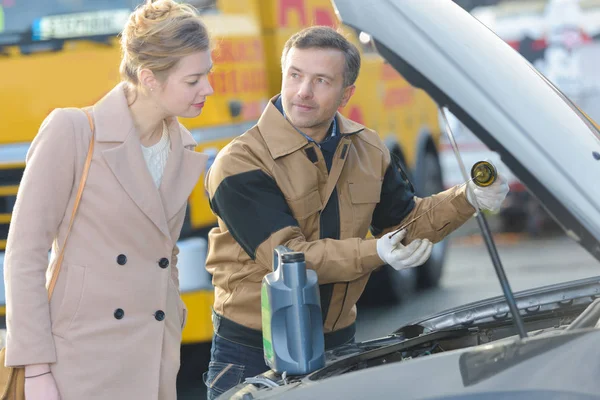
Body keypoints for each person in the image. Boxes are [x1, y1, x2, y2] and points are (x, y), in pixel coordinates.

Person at [202, 26, 509, 398]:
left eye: (321, 80)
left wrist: (468, 198)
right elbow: (288, 260)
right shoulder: (239, 163)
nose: (303, 91)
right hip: (253, 352)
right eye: (295, 75)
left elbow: (406, 224)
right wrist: (376, 252)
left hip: (340, 346)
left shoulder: (369, 149)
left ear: (346, 93)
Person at [3, 1, 213, 399]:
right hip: (79, 365)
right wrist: (34, 371)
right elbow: (24, 255)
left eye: (208, 74)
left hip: (155, 361)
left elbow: (163, 257)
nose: (209, 89)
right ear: (149, 78)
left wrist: (172, 321)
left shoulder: (183, 146)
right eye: (194, 80)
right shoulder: (73, 131)